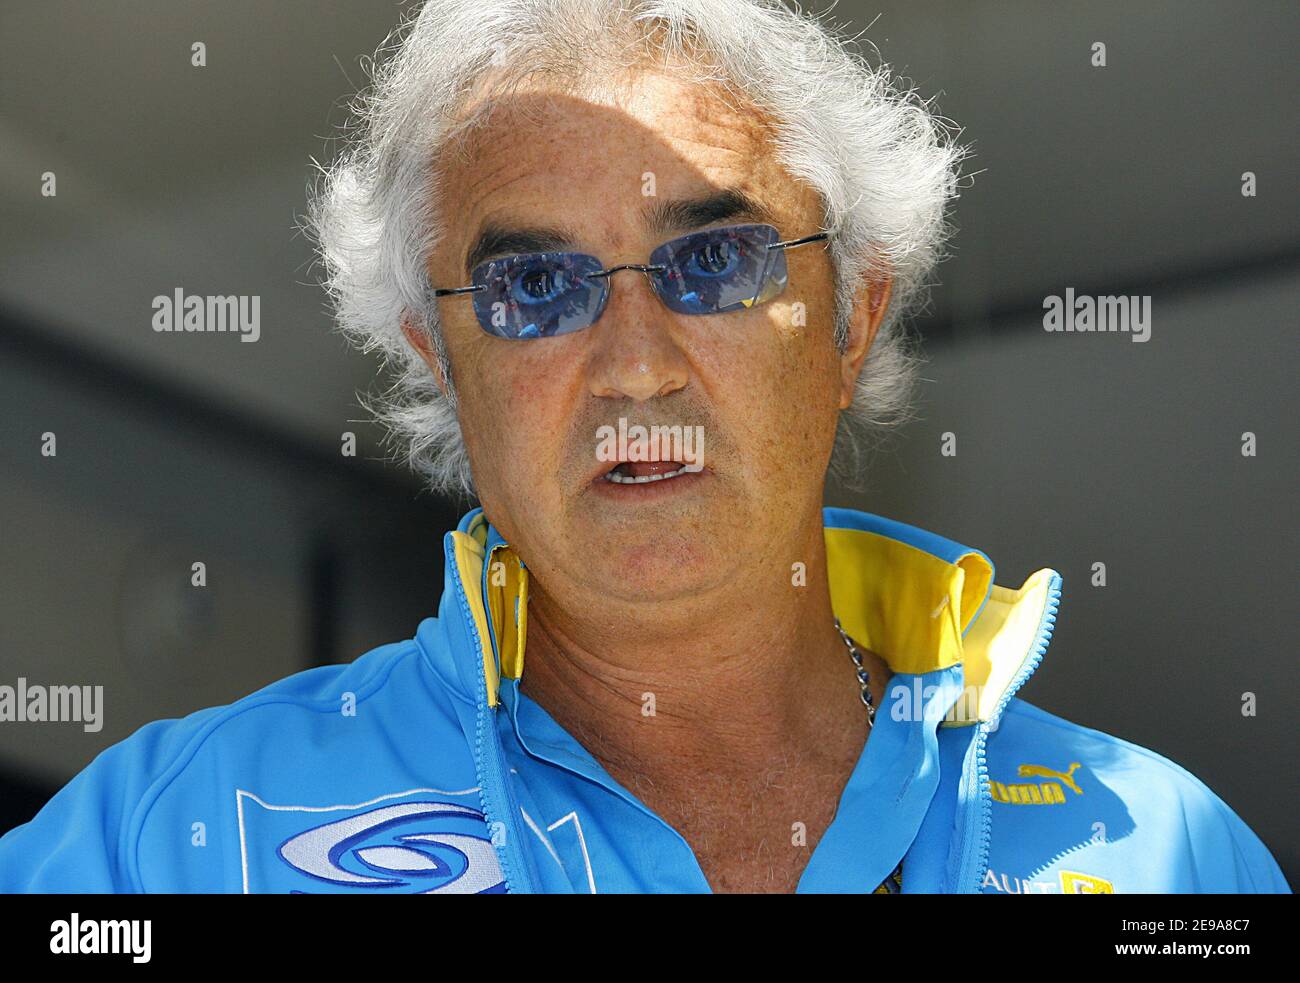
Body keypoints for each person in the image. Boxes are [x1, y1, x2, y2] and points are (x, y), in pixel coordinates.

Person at [0, 0, 1288, 894]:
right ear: (441, 366)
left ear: (853, 322)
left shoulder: (1167, 855)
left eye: (715, 261)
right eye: (535, 290)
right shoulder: (161, 840)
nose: (633, 362)